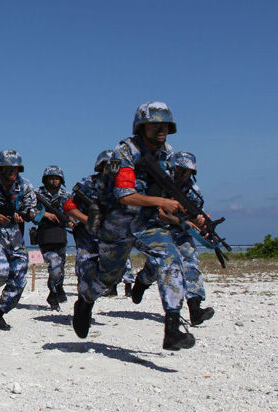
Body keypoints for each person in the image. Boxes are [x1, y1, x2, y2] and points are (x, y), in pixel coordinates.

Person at [72, 102, 199, 350]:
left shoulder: (167, 154)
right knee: (110, 277)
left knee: (171, 260)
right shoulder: (124, 153)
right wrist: (162, 202)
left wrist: (190, 216)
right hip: (117, 222)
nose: (161, 130)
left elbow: (165, 193)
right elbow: (124, 196)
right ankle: (85, 301)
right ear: (142, 127)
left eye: (165, 125)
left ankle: (172, 328)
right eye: (155, 125)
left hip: (146, 222)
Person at [131, 151, 215, 326]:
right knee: (160, 265)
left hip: (179, 230)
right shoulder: (158, 183)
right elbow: (158, 213)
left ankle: (195, 308)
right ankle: (142, 282)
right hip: (156, 228)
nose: (185, 175)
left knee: (190, 260)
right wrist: (181, 221)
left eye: (188, 172)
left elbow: (194, 216)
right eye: (181, 170)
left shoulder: (193, 192)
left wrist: (200, 222)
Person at [0, 150, 49, 330]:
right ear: (0, 168)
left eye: (16, 169)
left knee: (19, 277)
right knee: (1, 270)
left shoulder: (25, 186)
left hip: (16, 238)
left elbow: (32, 210)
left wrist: (28, 215)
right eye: (9, 168)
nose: (13, 172)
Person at [64, 149, 122, 311]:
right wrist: (88, 220)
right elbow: (69, 206)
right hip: (87, 238)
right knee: (85, 274)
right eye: (108, 166)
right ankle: (84, 306)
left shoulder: (124, 187)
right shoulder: (88, 183)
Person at [34, 165, 72, 310]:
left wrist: (72, 222)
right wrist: (44, 214)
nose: (54, 181)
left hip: (61, 237)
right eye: (51, 178)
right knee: (55, 266)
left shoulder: (66, 195)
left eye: (57, 178)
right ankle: (53, 294)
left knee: (60, 270)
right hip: (45, 237)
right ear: (45, 179)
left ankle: (54, 292)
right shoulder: (37, 194)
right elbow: (28, 210)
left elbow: (72, 211)